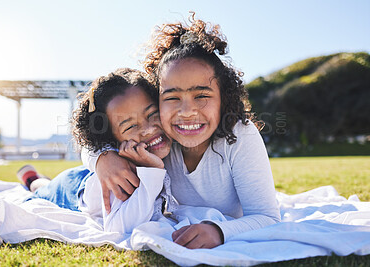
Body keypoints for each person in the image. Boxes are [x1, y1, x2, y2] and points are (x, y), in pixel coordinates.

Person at [84, 13, 281, 249]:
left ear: (224, 98)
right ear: (157, 98)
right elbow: (89, 135)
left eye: (201, 96)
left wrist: (220, 231)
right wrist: (102, 158)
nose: (187, 112)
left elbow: (268, 217)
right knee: (53, 187)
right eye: (172, 97)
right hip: (85, 187)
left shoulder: (240, 136)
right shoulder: (156, 138)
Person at [18, 68, 178, 233]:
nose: (148, 129)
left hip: (85, 173)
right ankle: (32, 179)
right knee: (41, 189)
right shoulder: (119, 172)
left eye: (152, 114)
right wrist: (153, 170)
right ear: (112, 140)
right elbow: (119, 226)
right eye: (130, 126)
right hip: (72, 188)